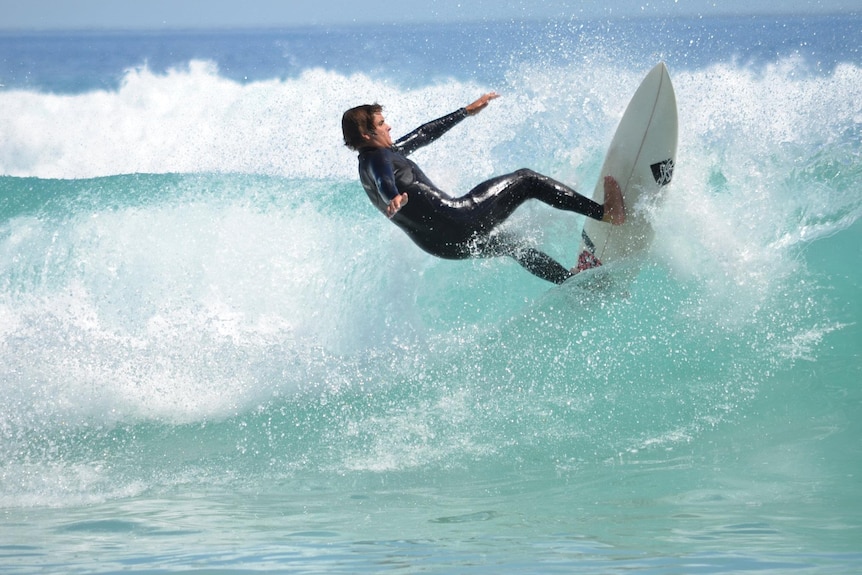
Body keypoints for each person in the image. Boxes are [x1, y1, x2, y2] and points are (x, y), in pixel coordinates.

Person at [341, 93, 625, 284]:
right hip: (459, 219)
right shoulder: (379, 159)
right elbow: (384, 181)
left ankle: (568, 280)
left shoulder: (370, 161)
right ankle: (607, 213)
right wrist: (392, 197)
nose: (389, 126)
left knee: (513, 244)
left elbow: (423, 134)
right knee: (527, 180)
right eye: (381, 124)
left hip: (443, 246)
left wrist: (465, 112)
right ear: (367, 134)